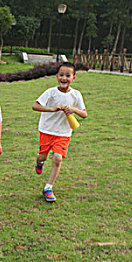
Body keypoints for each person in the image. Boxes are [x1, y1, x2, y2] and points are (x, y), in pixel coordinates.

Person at [32, 62, 87, 202]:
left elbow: (84, 114)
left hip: (63, 134)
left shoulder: (76, 95)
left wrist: (73, 110)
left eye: (68, 75)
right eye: (61, 75)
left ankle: (48, 188)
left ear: (73, 77)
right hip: (46, 131)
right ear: (57, 76)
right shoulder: (50, 92)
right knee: (42, 156)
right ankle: (40, 162)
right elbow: (35, 106)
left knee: (57, 158)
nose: (64, 78)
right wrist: (52, 109)